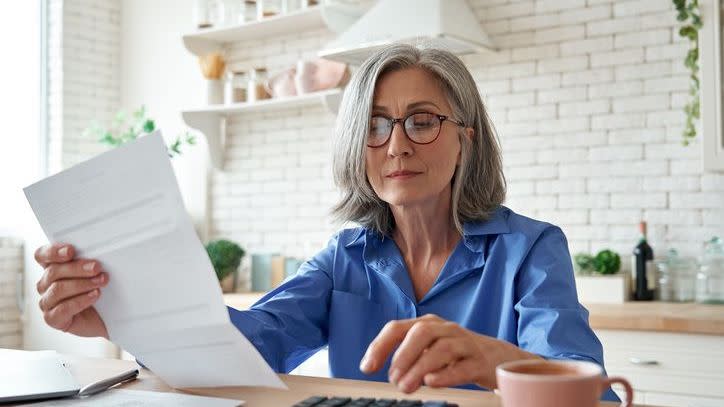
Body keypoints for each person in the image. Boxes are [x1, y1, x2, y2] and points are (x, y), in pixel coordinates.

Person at [33, 44, 619, 401]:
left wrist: (495, 361)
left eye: (421, 121)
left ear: (465, 140)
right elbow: (250, 345)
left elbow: (594, 396)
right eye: (375, 125)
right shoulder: (345, 256)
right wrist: (121, 315)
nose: (396, 145)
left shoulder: (531, 250)